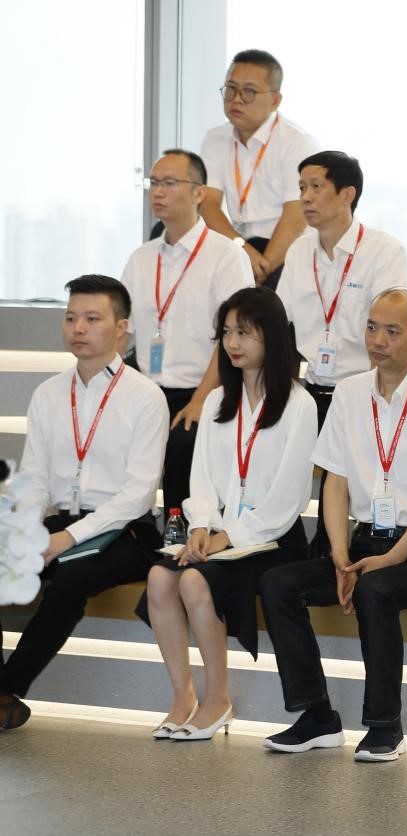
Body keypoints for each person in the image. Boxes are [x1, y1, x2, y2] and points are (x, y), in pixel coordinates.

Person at [258, 289, 407, 763]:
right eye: (372, 327)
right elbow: (334, 482)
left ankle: (384, 726)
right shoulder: (350, 393)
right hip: (362, 543)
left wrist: (392, 558)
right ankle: (317, 716)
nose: (378, 340)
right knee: (277, 583)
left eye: (392, 331)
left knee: (376, 588)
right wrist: (339, 555)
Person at [137, 287, 317, 741]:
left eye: (245, 333)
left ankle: (218, 700)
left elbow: (286, 499)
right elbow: (201, 478)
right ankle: (182, 698)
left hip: (273, 540)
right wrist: (200, 526)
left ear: (271, 336)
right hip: (219, 536)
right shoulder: (218, 400)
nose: (233, 343)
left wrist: (226, 538)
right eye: (227, 332)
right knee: (160, 577)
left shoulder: (300, 404)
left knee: (194, 581)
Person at [0, 276, 169, 730]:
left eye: (92, 318)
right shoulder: (49, 394)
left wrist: (65, 540)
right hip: (61, 522)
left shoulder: (146, 397)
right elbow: (35, 479)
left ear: (121, 328)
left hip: (126, 531)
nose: (78, 328)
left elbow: (137, 495)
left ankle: (5, 689)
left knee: (71, 578)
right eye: (71, 317)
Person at [277, 151, 407, 563]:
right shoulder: (299, 251)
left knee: (341, 443)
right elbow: (279, 325)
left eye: (316, 187)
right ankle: (278, 542)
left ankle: (328, 547)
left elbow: (389, 333)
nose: (305, 197)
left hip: (361, 390)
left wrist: (370, 395)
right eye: (301, 187)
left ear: (347, 194)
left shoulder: (383, 251)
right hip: (310, 389)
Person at [121, 149, 253, 516]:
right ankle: (132, 534)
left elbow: (232, 338)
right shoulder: (141, 258)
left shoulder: (226, 256)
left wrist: (199, 399)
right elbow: (121, 331)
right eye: (153, 183)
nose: (158, 191)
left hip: (205, 392)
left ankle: (180, 537)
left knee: (183, 446)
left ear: (199, 193)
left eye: (169, 183)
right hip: (146, 391)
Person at [199, 49, 319, 290]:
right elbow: (208, 204)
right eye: (231, 89)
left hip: (287, 249)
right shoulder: (215, 139)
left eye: (249, 92)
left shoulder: (296, 142)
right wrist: (241, 250)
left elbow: (295, 217)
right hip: (240, 243)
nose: (236, 99)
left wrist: (261, 268)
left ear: (275, 101)